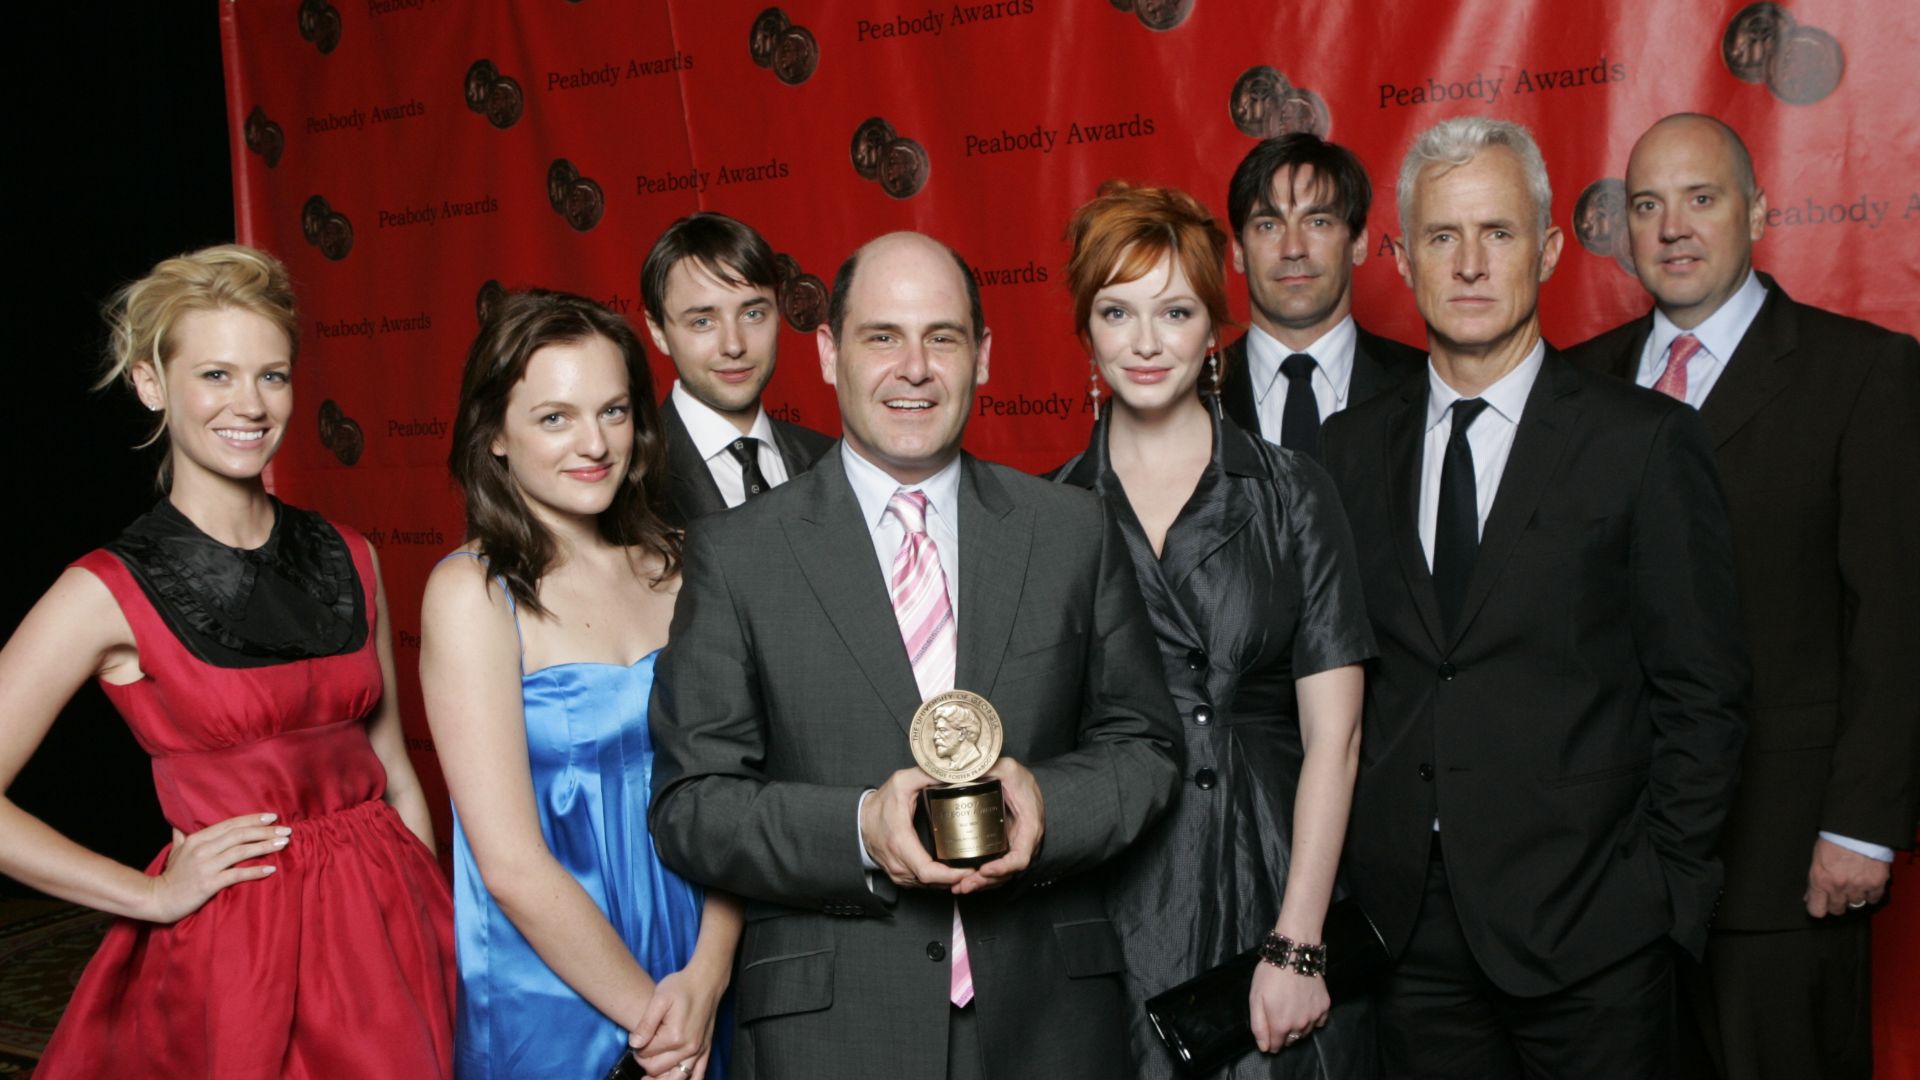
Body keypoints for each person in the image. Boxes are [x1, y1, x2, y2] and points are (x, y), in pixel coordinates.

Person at [647, 231, 1183, 1080]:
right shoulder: (740, 555)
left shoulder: (1071, 530)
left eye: (943, 337)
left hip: (1049, 1024)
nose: (915, 368)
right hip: (833, 1034)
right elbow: (692, 805)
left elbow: (1147, 749)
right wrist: (859, 828)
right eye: (881, 337)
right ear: (827, 354)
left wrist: (1047, 803)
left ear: (984, 357)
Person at [1318, 117, 1750, 1078]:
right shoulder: (1347, 453)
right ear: (1400, 257)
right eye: (1442, 236)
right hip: (1408, 943)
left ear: (1550, 250)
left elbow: (1704, 696)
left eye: (1499, 233)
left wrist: (1657, 897)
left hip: (1597, 938)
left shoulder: (1642, 445)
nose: (1470, 263)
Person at [0, 244, 456, 1077]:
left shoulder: (351, 554)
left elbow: (391, 767)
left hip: (391, 918)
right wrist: (148, 894)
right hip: (242, 940)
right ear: (150, 384)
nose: (249, 404)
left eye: (272, 376)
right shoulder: (103, 588)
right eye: (216, 375)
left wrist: (435, 922)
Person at [1566, 113, 1920, 1080]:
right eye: (1647, 205)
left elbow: (1896, 616)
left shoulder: (1862, 373)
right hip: (1605, 878)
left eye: (1702, 198)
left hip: (1785, 863)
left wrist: (1859, 827)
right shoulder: (1576, 383)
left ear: (1758, 211)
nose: (1673, 227)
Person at [1050, 182, 1377, 1078]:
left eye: (1176, 310)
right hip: (1113, 901)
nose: (1147, 342)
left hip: (1271, 871)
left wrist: (1300, 941)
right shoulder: (1046, 515)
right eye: (1118, 311)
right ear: (1087, 330)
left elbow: (1335, 736)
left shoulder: (1290, 491)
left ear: (1212, 331)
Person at [419, 290, 737, 1079]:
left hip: (705, 959)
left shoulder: (685, 566)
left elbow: (743, 793)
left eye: (615, 411)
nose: (594, 443)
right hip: (562, 987)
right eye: (555, 418)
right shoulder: (473, 593)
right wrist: (656, 1025)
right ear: (495, 434)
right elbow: (511, 863)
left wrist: (707, 977)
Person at [1217, 133, 1425, 458]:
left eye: (1318, 222)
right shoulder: (1186, 395)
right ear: (1239, 251)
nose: (1294, 249)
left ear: (1358, 244)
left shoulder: (1428, 385)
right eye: (1268, 225)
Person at [641, 212, 835, 526]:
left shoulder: (831, 461)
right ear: (658, 331)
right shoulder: (631, 476)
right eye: (703, 321)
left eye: (753, 314)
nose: (733, 345)